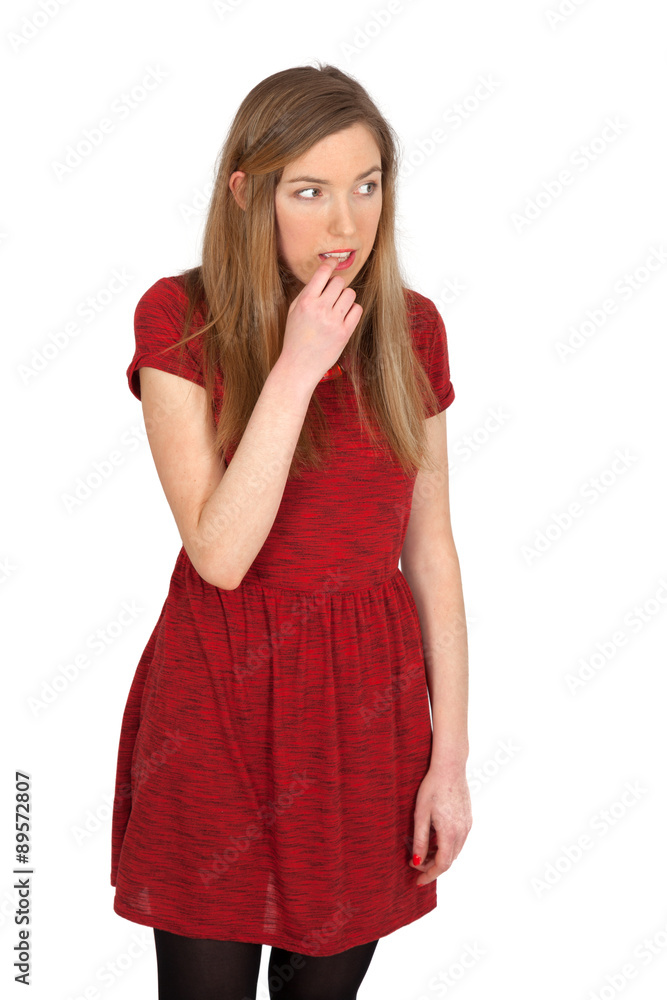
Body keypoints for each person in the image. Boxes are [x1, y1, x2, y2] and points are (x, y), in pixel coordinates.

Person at [110, 62, 472, 1000]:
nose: (345, 223)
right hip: (217, 710)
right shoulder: (178, 318)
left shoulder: (413, 330)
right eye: (309, 192)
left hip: (364, 716)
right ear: (247, 193)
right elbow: (220, 554)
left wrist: (450, 761)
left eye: (366, 186)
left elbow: (430, 553)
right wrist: (297, 366)